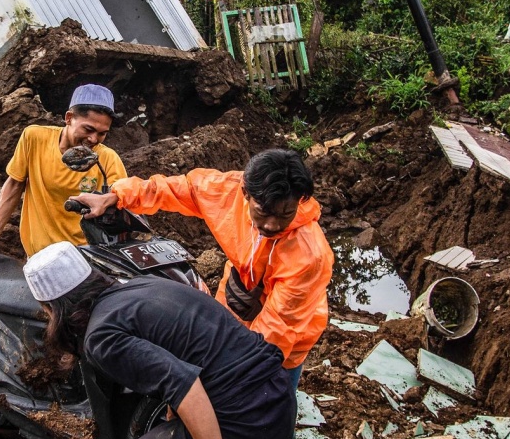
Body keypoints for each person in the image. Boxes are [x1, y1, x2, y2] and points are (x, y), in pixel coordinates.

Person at [23, 242, 295, 439]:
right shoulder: (140, 286)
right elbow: (191, 353)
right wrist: (174, 408)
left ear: (52, 309)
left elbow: (183, 383)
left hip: (241, 420)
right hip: (278, 401)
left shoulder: (100, 337)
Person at [69, 149, 333, 389]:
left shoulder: (309, 256)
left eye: (285, 214)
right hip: (237, 298)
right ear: (245, 194)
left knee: (270, 394)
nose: (273, 225)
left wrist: (234, 372)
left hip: (286, 337)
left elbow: (278, 331)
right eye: (263, 213)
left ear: (299, 201)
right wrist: (117, 196)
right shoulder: (227, 191)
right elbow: (181, 188)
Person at [0, 84, 128, 256]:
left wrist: (109, 200)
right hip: (39, 256)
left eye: (102, 133)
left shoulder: (107, 158)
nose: (94, 139)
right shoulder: (34, 138)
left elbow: (122, 198)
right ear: (69, 118)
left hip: (84, 258)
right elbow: (14, 185)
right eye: (88, 129)